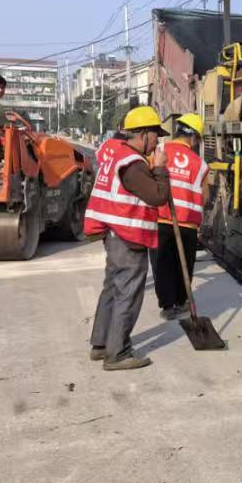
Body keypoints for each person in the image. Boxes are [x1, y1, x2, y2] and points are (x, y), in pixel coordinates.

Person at [84, 106, 170, 370]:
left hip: (114, 232)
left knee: (112, 287)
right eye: (156, 135)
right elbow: (158, 196)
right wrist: (160, 170)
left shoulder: (118, 154)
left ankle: (101, 344)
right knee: (127, 292)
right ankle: (118, 353)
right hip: (127, 235)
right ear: (143, 134)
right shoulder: (133, 165)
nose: (158, 142)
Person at [151, 114, 209, 321]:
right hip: (188, 223)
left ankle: (167, 306)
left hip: (160, 219)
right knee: (184, 263)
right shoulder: (200, 164)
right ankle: (182, 301)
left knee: (162, 263)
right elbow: (205, 195)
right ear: (193, 138)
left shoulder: (159, 152)